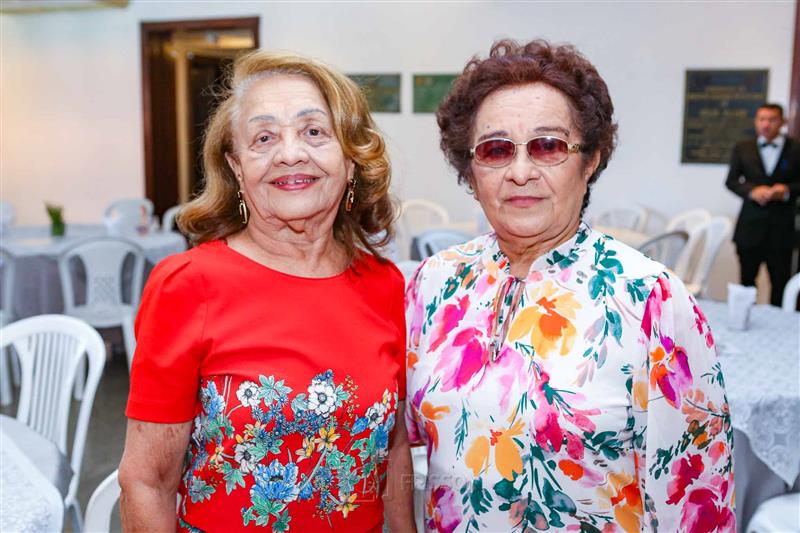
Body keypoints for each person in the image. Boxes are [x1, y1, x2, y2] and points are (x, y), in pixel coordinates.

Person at [405, 39, 735, 532]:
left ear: (590, 159)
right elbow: (400, 438)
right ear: (470, 171)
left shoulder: (652, 299)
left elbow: (696, 497)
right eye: (496, 150)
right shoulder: (434, 283)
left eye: (548, 146)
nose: (520, 172)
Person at [119, 50, 414, 532]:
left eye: (314, 132)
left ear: (351, 159)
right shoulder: (188, 285)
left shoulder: (384, 284)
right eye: (264, 138)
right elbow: (146, 482)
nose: (289, 154)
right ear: (237, 168)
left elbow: (393, 447)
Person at [725, 103, 800, 306]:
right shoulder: (742, 147)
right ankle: (744, 321)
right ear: (756, 122)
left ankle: (779, 324)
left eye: (772, 120)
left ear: (783, 122)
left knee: (780, 284)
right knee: (746, 283)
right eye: (762, 119)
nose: (766, 124)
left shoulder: (796, 148)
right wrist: (752, 191)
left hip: (782, 229)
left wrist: (786, 191)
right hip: (749, 227)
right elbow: (731, 181)